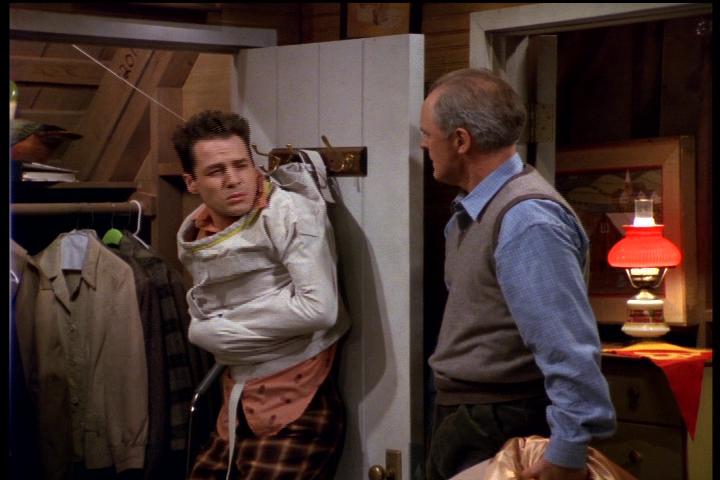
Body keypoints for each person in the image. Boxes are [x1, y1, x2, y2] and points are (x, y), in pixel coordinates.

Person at [420, 68, 616, 480]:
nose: (423, 145)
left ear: (460, 140)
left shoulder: (527, 219)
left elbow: (567, 344)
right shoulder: (476, 211)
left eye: (427, 134)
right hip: (472, 416)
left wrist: (567, 451)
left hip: (500, 421)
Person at [173, 110, 349, 479]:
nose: (233, 179)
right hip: (236, 401)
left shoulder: (288, 213)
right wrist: (210, 330)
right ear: (191, 182)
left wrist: (213, 330)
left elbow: (319, 310)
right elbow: (207, 303)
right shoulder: (198, 231)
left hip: (296, 399)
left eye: (241, 165)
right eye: (216, 171)